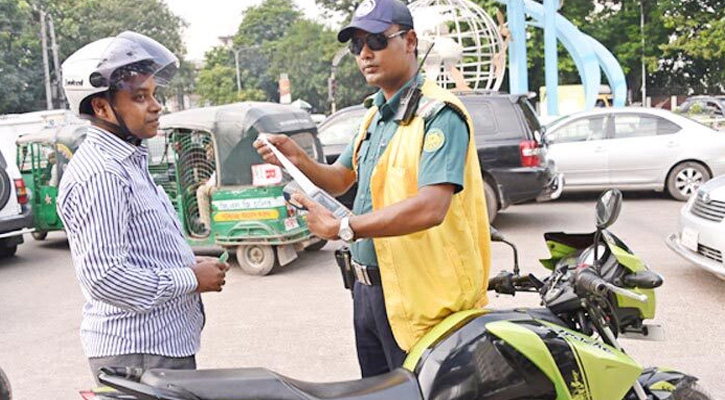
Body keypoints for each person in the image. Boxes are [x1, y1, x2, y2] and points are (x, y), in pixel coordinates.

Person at [255, 0, 491, 377]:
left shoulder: (439, 115)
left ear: (410, 40)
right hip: (369, 293)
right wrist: (295, 157)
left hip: (423, 299)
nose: (365, 54)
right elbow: (341, 177)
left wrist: (344, 228)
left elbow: (431, 207)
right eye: (356, 46)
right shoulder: (374, 115)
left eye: (377, 41)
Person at [57, 31, 228, 381]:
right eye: (140, 97)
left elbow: (136, 252)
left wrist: (184, 261)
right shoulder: (101, 174)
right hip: (138, 354)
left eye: (153, 94)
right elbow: (105, 278)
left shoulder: (127, 161)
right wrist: (189, 278)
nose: (156, 105)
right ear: (101, 107)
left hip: (157, 348)